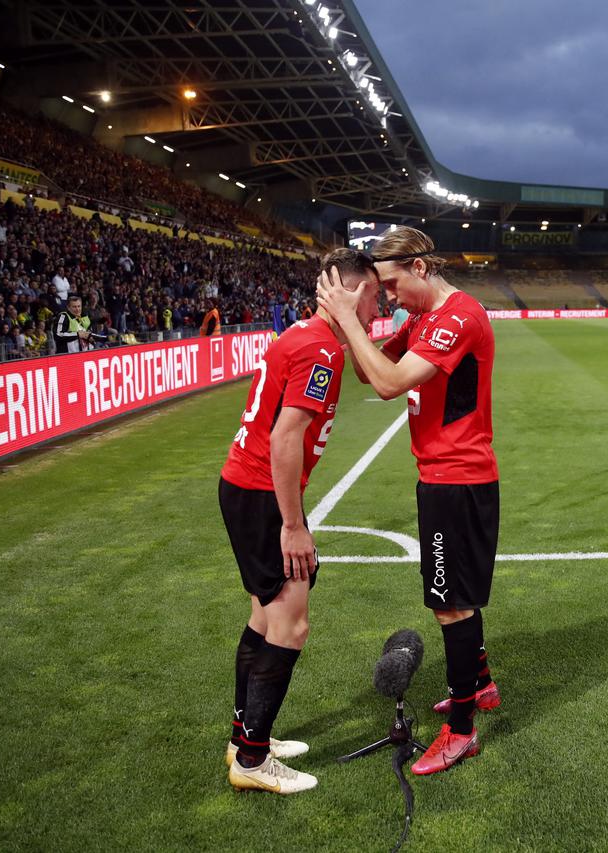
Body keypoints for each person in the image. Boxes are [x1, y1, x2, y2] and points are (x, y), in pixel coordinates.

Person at [315, 227, 501, 776]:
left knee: (450, 602)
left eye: (391, 285)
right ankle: (481, 686)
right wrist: (353, 317)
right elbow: (366, 370)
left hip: (458, 476)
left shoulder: (458, 317)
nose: (389, 298)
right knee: (455, 594)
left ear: (420, 268)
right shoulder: (422, 319)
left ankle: (463, 732)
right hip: (442, 475)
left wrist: (351, 321)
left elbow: (391, 383)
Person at [218, 247, 380, 795]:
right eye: (375, 295)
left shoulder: (303, 336)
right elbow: (286, 437)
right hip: (265, 495)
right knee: (292, 624)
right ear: (354, 292)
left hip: (247, 486)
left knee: (266, 618)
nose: (378, 307)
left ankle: (245, 737)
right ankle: (253, 760)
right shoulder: (318, 350)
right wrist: (293, 524)